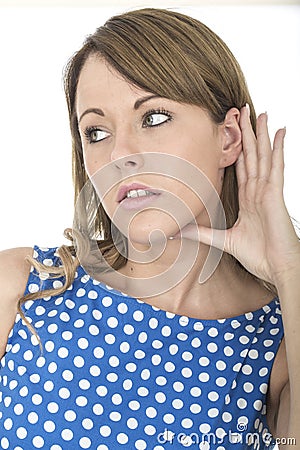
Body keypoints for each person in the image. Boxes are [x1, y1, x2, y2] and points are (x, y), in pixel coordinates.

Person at [0, 7, 299, 450]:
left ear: (229, 137)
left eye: (154, 118)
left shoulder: (279, 343)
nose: (121, 154)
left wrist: (289, 268)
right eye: (96, 132)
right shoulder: (24, 285)